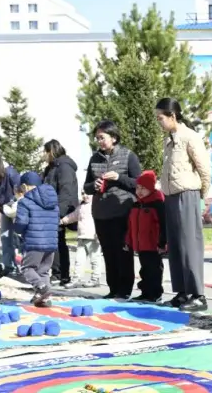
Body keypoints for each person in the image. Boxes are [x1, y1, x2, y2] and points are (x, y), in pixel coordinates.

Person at [155, 98, 212, 312]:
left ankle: (198, 295)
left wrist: (200, 196)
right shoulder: (168, 140)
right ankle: (182, 292)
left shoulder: (190, 137)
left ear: (173, 116)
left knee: (190, 245)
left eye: (161, 118)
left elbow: (204, 169)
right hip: (170, 196)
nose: (159, 122)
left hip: (187, 194)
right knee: (176, 246)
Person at [84, 120, 142, 300]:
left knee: (122, 252)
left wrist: (119, 177)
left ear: (114, 137)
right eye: (97, 138)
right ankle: (113, 288)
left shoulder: (128, 155)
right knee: (108, 253)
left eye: (102, 137)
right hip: (101, 214)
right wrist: (94, 185)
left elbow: (138, 184)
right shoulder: (94, 158)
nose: (99, 141)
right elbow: (86, 187)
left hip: (122, 211)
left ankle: (124, 290)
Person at [14, 171, 59, 308]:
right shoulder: (53, 202)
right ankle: (44, 299)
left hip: (34, 242)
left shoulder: (25, 202)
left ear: (25, 186)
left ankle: (42, 288)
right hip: (51, 242)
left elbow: (21, 223)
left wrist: (17, 229)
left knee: (27, 268)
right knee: (43, 271)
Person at [42, 139, 79, 286]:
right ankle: (56, 272)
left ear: (51, 151)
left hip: (59, 210)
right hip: (49, 209)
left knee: (58, 243)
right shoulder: (51, 167)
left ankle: (61, 274)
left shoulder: (64, 167)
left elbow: (66, 192)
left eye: (44, 152)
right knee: (53, 242)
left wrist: (58, 213)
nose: (42, 155)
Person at [125, 171, 166, 303]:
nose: (140, 191)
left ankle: (155, 293)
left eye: (143, 188)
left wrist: (162, 242)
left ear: (151, 188)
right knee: (144, 269)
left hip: (153, 244)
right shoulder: (136, 204)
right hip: (141, 244)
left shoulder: (157, 204)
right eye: (138, 188)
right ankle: (145, 292)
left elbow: (163, 224)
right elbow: (130, 226)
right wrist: (128, 241)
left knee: (154, 269)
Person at [63, 193, 103, 287]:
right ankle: (76, 279)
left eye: (88, 194)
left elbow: (100, 221)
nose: (85, 196)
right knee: (79, 260)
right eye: (83, 193)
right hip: (81, 237)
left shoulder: (97, 205)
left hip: (93, 237)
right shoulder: (81, 206)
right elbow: (73, 216)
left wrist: (99, 234)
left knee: (95, 259)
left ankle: (95, 279)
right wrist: (63, 221)